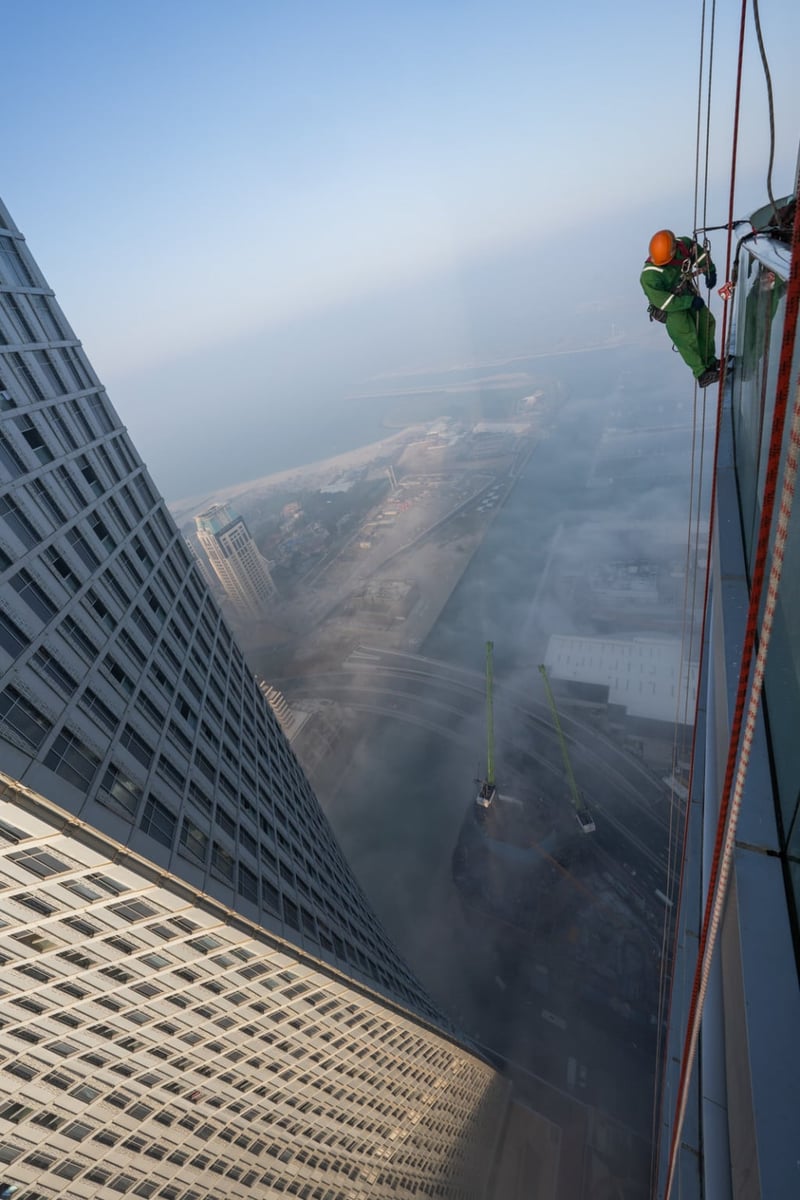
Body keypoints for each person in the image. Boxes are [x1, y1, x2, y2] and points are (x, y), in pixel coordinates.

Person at [640, 230, 720, 387]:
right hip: (671, 308)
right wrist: (689, 302)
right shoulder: (649, 276)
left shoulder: (683, 246)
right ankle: (701, 374)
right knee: (686, 335)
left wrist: (710, 270)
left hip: (686, 294)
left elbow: (701, 254)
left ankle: (710, 362)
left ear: (674, 248)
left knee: (707, 322)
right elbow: (664, 302)